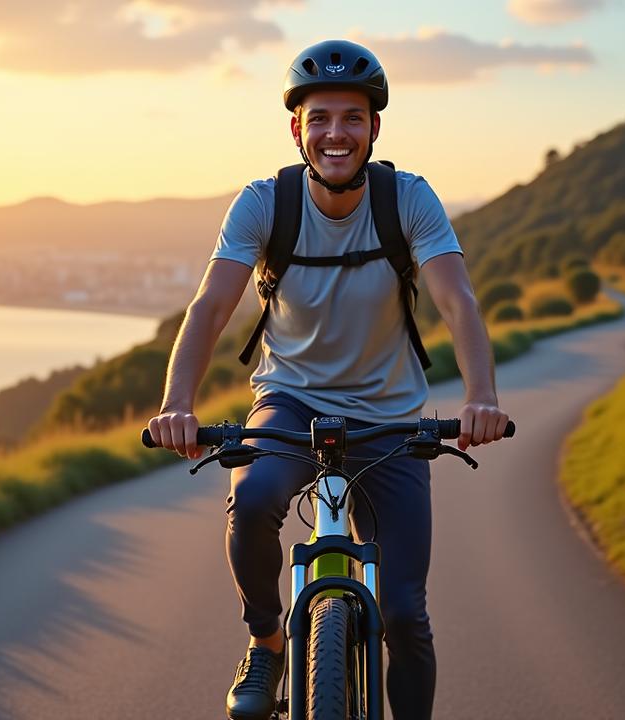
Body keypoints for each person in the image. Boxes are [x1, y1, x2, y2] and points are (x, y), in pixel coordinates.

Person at [146, 39, 511, 720]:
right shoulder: (264, 204)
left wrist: (481, 399)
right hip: (288, 400)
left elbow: (458, 300)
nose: (335, 133)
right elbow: (209, 307)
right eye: (319, 119)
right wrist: (176, 404)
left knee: (405, 614)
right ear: (297, 129)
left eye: (352, 118)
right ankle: (266, 639)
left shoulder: (409, 200)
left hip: (391, 415)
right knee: (252, 500)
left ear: (374, 128)